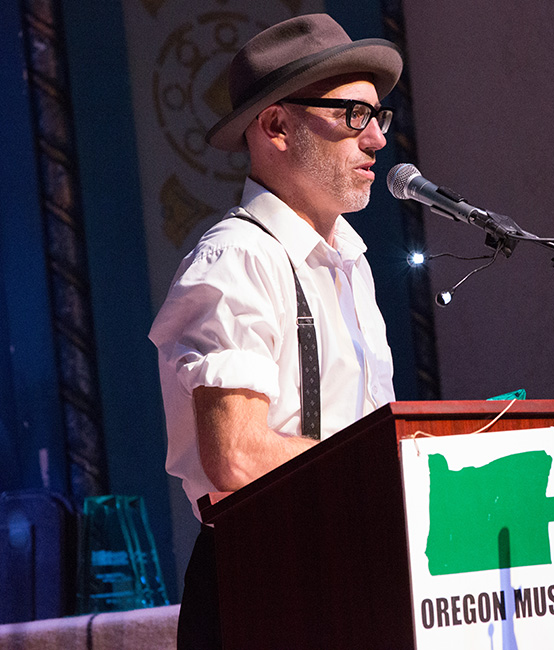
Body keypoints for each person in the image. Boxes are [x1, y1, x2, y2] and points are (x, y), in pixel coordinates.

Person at [148, 13, 403, 649]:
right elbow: (234, 454)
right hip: (266, 580)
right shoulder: (239, 257)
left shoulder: (349, 259)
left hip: (347, 570)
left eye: (379, 118)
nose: (375, 140)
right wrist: (399, 470)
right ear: (275, 126)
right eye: (352, 116)